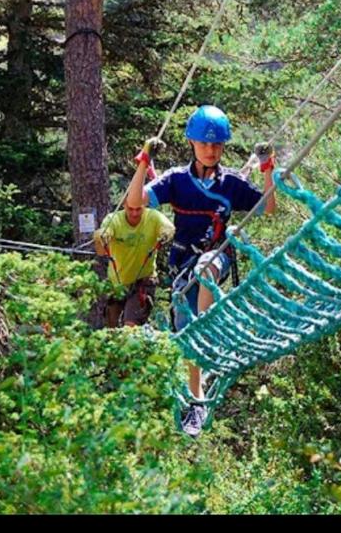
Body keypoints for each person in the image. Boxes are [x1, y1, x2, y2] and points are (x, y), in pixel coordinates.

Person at [125, 105, 276, 436]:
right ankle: (196, 402)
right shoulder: (178, 180)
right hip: (181, 266)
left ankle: (207, 328)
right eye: (205, 144)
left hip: (214, 258)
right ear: (192, 143)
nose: (210, 150)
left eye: (217, 145)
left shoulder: (232, 184)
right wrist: (144, 162)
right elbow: (134, 201)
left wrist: (267, 169)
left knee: (206, 276)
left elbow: (267, 206)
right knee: (187, 340)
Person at [93, 200, 174, 328]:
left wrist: (166, 232)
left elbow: (168, 227)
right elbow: (102, 246)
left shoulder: (153, 217)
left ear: (145, 205)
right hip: (117, 283)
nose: (135, 213)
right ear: (124, 204)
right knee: (112, 327)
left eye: (138, 209)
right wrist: (102, 237)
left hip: (144, 281)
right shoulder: (114, 219)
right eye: (130, 209)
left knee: (131, 326)